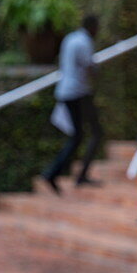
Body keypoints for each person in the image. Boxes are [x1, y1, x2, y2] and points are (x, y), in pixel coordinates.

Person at [41, 14, 103, 195]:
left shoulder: (71, 38)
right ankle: (59, 173)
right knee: (92, 133)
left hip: (66, 91)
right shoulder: (84, 42)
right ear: (92, 27)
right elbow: (90, 68)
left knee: (79, 135)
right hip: (77, 92)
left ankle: (60, 173)